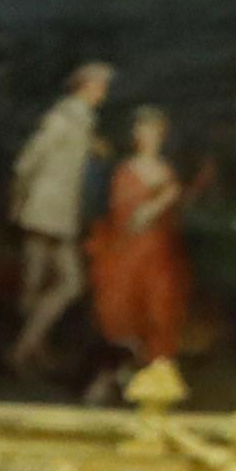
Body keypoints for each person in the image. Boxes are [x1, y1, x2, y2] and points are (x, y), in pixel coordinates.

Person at [6, 63, 108, 380]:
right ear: (85, 86)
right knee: (68, 283)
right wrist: (21, 201)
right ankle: (22, 349)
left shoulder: (81, 120)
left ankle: (33, 348)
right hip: (47, 212)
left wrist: (95, 147)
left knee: (43, 284)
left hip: (53, 212)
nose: (103, 93)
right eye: (100, 86)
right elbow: (27, 161)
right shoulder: (63, 118)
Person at [88, 106, 191, 376]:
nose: (149, 136)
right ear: (136, 135)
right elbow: (131, 220)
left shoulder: (167, 170)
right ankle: (122, 374)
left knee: (160, 311)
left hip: (161, 256)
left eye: (155, 131)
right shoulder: (125, 171)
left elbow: (174, 220)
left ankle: (154, 371)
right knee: (126, 313)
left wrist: (168, 203)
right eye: (144, 130)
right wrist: (161, 201)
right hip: (130, 255)